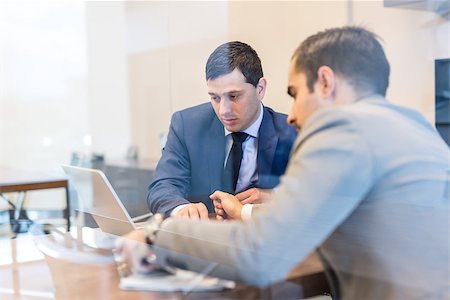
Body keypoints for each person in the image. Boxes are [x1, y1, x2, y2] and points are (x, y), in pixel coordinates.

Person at [118, 26, 450, 299]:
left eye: (294, 93)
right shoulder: (416, 126)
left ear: (324, 81)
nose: (291, 115)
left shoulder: (343, 130)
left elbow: (260, 255)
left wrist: (157, 235)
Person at [148, 41, 296, 219]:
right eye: (215, 97)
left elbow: (315, 193)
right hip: (205, 239)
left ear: (260, 89)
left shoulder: (292, 131)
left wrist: (275, 197)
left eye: (234, 96)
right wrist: (180, 208)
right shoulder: (187, 125)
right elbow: (163, 186)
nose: (223, 110)